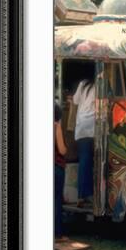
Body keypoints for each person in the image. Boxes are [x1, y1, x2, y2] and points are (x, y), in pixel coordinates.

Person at [71, 66, 95, 207]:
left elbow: (75, 101)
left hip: (81, 126)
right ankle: (86, 194)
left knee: (84, 160)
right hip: (92, 126)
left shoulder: (83, 84)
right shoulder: (100, 84)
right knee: (89, 161)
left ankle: (82, 195)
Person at [54, 103, 68, 242]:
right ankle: (57, 234)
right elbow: (62, 149)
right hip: (56, 168)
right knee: (56, 201)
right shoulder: (55, 126)